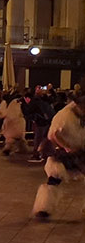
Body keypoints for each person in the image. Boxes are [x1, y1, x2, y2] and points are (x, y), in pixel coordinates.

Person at [32, 91, 85, 220]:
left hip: (80, 151)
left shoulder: (80, 116)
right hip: (63, 153)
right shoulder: (65, 116)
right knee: (54, 179)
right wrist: (67, 147)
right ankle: (43, 209)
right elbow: (54, 135)